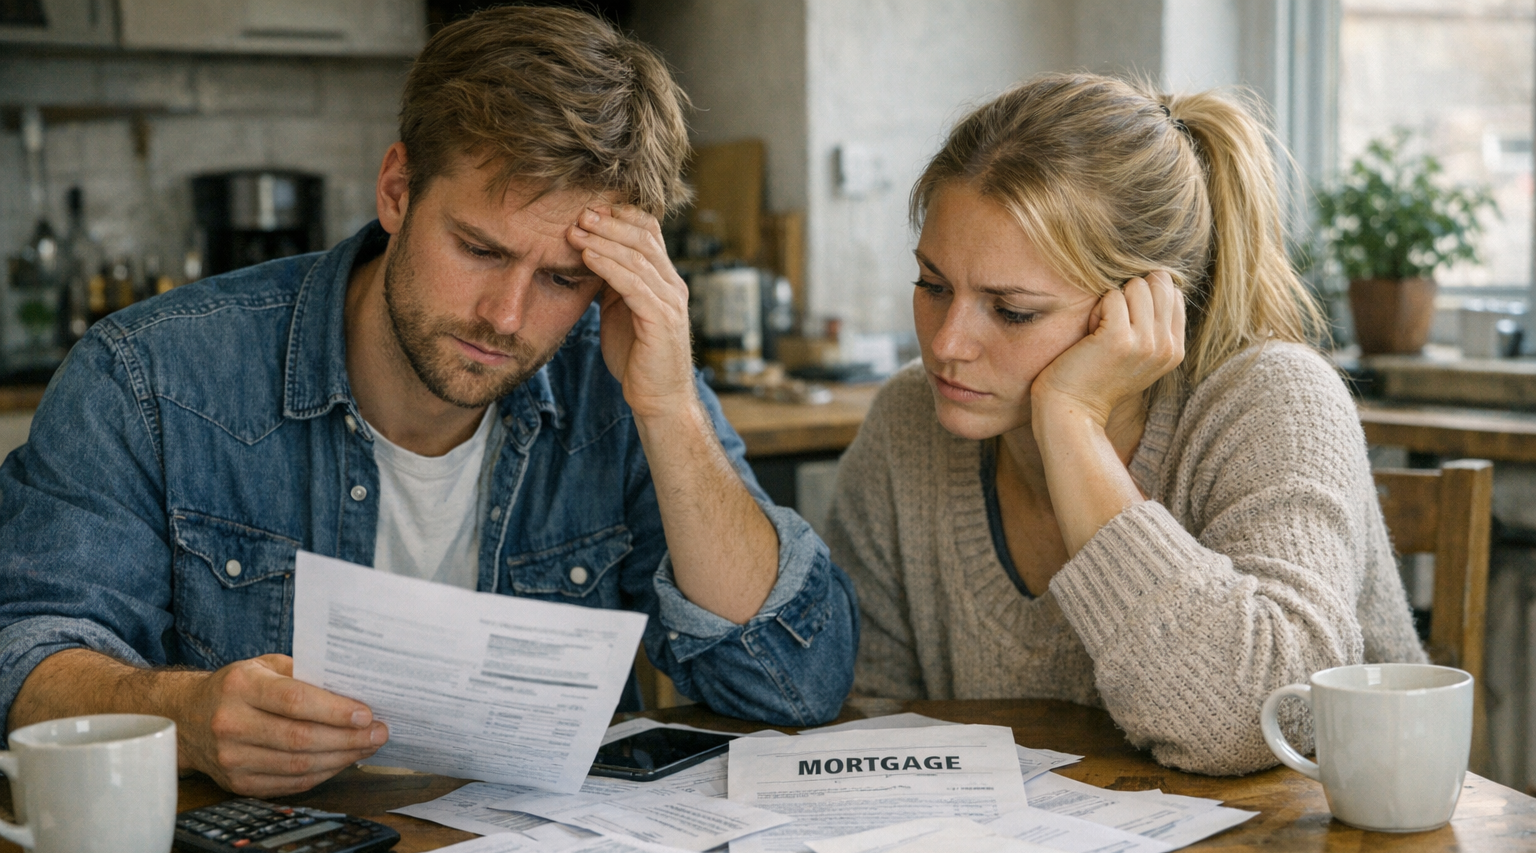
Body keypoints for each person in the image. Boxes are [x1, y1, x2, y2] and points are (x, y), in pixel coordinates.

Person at [0, 6, 857, 796]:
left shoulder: (625, 384)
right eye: (480, 249)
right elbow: (25, 655)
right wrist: (182, 716)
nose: (507, 317)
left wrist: (670, 409)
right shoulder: (149, 375)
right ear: (397, 191)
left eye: (563, 278)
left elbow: (793, 684)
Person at [825, 74, 1423, 776]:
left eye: (1012, 310)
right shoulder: (908, 422)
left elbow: (1259, 723)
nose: (947, 342)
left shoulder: (1275, 400)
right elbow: (866, 717)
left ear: (1143, 309)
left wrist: (1071, 421)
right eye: (933, 285)